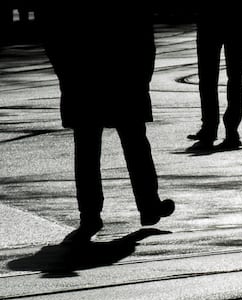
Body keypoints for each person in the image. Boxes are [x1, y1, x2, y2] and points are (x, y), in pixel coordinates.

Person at [40, 1, 174, 245]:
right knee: (134, 142)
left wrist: (65, 73)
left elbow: (52, 32)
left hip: (83, 78)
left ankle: (90, 214)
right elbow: (143, 34)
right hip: (122, 75)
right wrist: (143, 76)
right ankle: (148, 205)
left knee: (88, 148)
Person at [187, 0, 242, 151]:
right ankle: (230, 130)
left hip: (210, 17)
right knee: (234, 77)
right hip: (236, 17)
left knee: (208, 77)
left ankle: (211, 128)